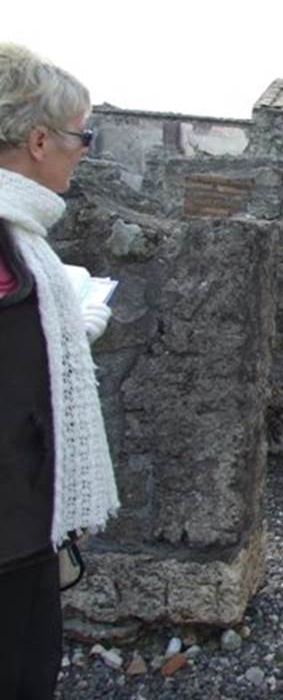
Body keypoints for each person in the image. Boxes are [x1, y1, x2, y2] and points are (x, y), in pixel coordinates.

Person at [0, 43, 119, 699]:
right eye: (82, 135)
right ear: (39, 140)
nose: (85, 151)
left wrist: (68, 327)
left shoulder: (24, 241)